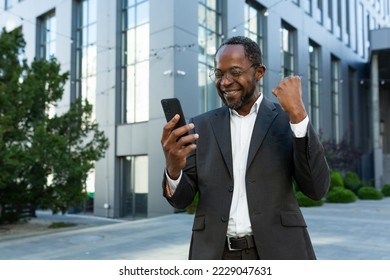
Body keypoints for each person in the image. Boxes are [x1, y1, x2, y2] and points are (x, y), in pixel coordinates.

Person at [161, 36, 330, 260]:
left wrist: (299, 115)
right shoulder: (201, 126)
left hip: (280, 252)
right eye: (219, 74)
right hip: (215, 254)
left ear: (259, 72)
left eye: (235, 72)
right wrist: (173, 169)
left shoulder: (286, 120)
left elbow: (317, 189)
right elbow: (181, 200)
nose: (225, 82)